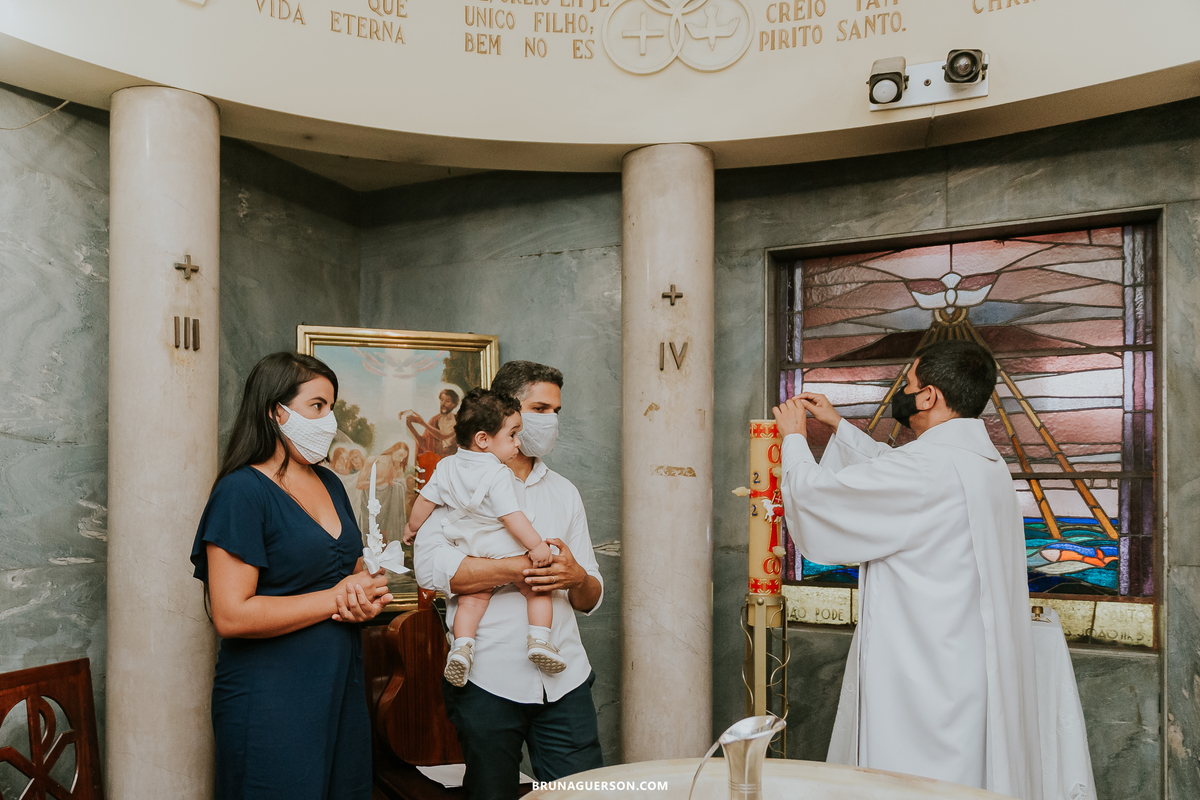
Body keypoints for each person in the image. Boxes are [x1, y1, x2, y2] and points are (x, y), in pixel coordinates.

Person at [772, 339, 1041, 800]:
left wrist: (794, 437)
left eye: (908, 385)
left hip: (923, 677)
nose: (903, 392)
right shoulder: (982, 463)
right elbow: (895, 473)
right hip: (965, 664)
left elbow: (819, 503)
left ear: (931, 396)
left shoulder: (930, 466)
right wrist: (838, 426)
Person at [190, 352, 393, 800]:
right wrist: (337, 598)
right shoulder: (241, 492)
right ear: (274, 409)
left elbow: (342, 569)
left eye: (332, 407)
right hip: (272, 697)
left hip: (341, 685)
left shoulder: (331, 482)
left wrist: (365, 592)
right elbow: (231, 615)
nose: (330, 420)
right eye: (317, 406)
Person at [413, 361, 604, 800]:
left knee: (582, 795)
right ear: (505, 412)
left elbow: (589, 594)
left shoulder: (564, 491)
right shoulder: (452, 488)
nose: (550, 421)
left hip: (566, 679)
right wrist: (523, 566)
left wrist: (575, 576)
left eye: (556, 410)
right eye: (540, 408)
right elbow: (434, 572)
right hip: (487, 679)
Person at [402, 389, 565, 688]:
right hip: (499, 546)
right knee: (536, 590)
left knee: (472, 600)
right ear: (483, 439)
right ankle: (540, 641)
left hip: (466, 548)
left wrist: (411, 528)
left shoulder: (446, 465)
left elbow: (424, 501)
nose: (518, 443)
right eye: (513, 435)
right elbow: (511, 517)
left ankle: (462, 648)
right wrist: (537, 545)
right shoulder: (497, 473)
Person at [404, 388, 460, 485]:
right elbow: (423, 444)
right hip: (436, 466)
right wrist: (409, 424)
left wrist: (422, 422)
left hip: (453, 466)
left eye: (447, 401)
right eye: (442, 400)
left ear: (454, 404)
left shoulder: (458, 421)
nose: (443, 403)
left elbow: (442, 437)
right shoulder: (434, 421)